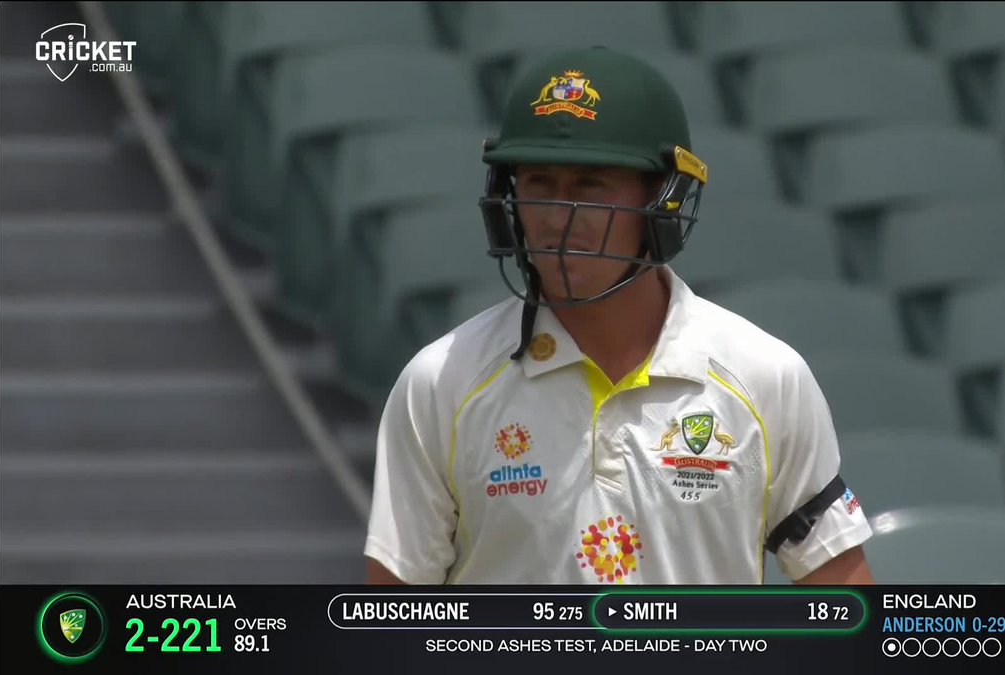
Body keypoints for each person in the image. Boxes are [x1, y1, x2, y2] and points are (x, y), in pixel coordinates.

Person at [365, 46, 874, 584]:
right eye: (539, 184)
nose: (561, 217)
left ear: (664, 200)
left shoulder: (766, 377)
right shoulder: (441, 382)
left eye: (592, 185)